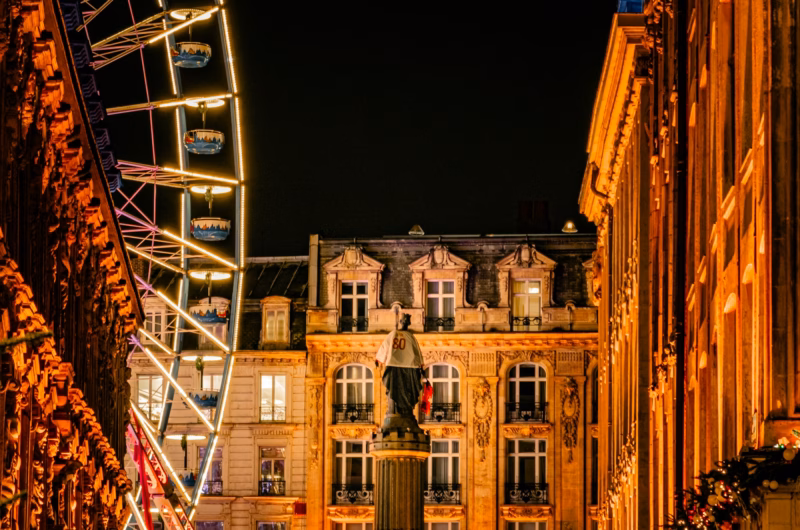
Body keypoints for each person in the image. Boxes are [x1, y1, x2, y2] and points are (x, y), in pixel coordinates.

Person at [375, 313, 430, 416]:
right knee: (400, 388)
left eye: (406, 321)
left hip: (401, 365)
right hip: (404, 365)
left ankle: (403, 410)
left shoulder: (398, 334)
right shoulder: (406, 335)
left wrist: (379, 358)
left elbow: (416, 352)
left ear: (407, 323)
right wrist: (421, 365)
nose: (405, 323)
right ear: (401, 322)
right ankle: (398, 410)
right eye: (404, 321)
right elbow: (417, 352)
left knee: (403, 388)